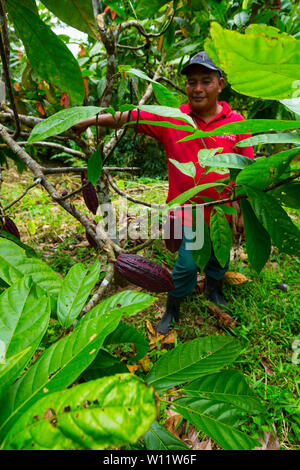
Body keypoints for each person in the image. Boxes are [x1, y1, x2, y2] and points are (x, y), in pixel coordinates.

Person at [74, 51, 254, 334]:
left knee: (220, 256)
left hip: (224, 210)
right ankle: (174, 305)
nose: (197, 88)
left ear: (220, 84)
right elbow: (131, 117)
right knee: (185, 265)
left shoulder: (238, 122)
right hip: (188, 214)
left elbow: (246, 170)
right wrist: (90, 120)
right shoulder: (173, 119)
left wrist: (242, 210)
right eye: (191, 82)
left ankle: (214, 289)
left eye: (205, 81)